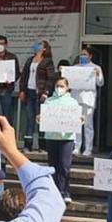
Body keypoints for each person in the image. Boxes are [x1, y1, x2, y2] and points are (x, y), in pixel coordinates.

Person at [39, 74, 81, 203]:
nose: (59, 88)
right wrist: (40, 118)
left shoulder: (73, 102)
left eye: (62, 86)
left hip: (66, 138)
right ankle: (54, 191)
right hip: (52, 137)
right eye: (57, 86)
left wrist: (80, 120)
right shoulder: (49, 101)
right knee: (53, 165)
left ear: (67, 88)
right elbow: (44, 117)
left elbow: (77, 119)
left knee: (64, 165)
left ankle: (64, 191)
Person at [19, 39, 56, 150]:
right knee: (30, 118)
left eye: (39, 44)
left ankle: (42, 146)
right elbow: (24, 76)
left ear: (44, 48)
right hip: (29, 92)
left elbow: (51, 78)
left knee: (40, 119)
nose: (36, 46)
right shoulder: (30, 60)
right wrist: (22, 90)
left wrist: (46, 92)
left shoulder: (48, 61)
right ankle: (28, 145)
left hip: (40, 94)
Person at [72, 44, 104, 157]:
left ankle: (88, 148)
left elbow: (100, 83)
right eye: (81, 54)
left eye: (85, 54)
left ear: (90, 56)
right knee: (76, 124)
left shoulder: (95, 67)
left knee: (88, 125)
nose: (82, 56)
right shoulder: (75, 67)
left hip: (88, 100)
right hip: (75, 98)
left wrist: (98, 74)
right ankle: (76, 147)